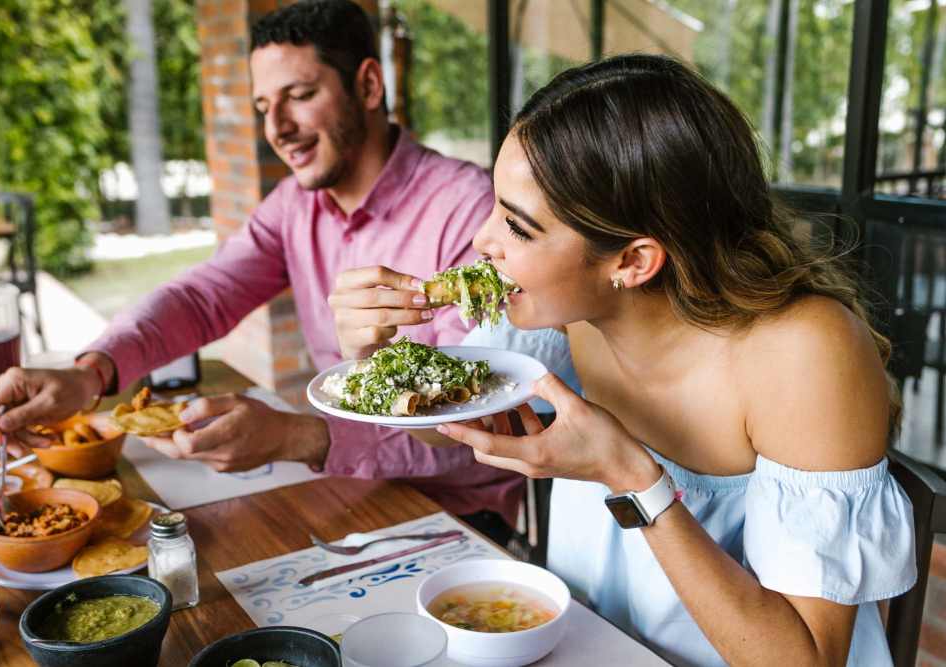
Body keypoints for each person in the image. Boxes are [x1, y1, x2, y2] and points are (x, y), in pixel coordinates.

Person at [344, 55, 917, 665]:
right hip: (591, 643)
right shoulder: (570, 313)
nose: (482, 243)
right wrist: (377, 358)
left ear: (634, 262)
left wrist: (632, 478)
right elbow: (452, 431)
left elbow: (804, 662)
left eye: (517, 227)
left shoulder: (805, 353)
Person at [0, 0, 524, 543]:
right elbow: (204, 296)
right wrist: (91, 372)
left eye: (301, 96)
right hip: (342, 490)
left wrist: (298, 437)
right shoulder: (293, 206)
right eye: (264, 106)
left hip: (459, 520)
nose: (277, 129)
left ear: (369, 85)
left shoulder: (468, 211)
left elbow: (476, 431)